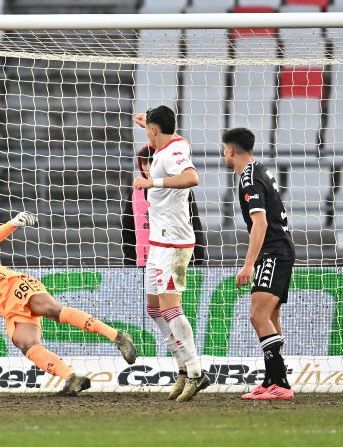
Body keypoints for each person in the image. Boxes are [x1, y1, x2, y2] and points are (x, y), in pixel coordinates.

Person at [0, 213, 138, 396]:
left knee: (53, 310)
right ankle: (70, 378)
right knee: (26, 344)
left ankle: (118, 337)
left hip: (16, 286)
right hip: (12, 311)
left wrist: (12, 224)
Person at [132, 106, 208, 401]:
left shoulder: (172, 155)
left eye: (149, 128)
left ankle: (196, 371)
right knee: (154, 309)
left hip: (175, 246)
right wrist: (148, 128)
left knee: (170, 308)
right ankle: (182, 368)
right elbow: (175, 142)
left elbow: (191, 177)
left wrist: (154, 181)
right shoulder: (175, 145)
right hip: (158, 244)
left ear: (154, 129)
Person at [222, 128, 295, 400]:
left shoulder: (249, 179)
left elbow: (261, 222)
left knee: (258, 315)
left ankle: (281, 385)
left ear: (230, 150)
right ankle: (271, 381)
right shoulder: (259, 169)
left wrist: (248, 264)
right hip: (280, 250)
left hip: (273, 252)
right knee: (271, 317)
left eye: (223, 149)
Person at [122, 144, 206, 267]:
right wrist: (130, 263)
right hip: (144, 266)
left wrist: (196, 259)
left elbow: (194, 225)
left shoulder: (181, 190)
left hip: (177, 262)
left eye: (152, 162)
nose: (148, 167)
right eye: (144, 163)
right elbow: (128, 232)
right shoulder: (135, 195)